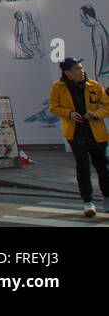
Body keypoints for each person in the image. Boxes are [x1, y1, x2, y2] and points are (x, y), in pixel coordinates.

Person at [49, 56, 109, 216]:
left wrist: (96, 114)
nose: (81, 72)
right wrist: (69, 113)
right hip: (75, 134)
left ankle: (107, 197)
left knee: (103, 167)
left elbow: (106, 105)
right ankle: (88, 201)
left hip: (96, 133)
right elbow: (53, 107)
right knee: (82, 168)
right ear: (67, 73)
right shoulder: (58, 87)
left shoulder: (94, 85)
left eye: (81, 68)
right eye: (77, 69)